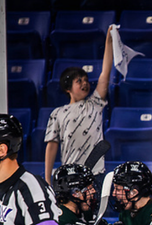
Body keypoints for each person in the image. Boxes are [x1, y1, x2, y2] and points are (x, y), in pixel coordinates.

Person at [44, 26, 114, 185]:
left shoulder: (95, 104)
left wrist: (109, 42)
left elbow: (105, 73)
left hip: (96, 175)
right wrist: (48, 179)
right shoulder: (58, 113)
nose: (85, 84)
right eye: (79, 81)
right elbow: (52, 145)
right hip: (70, 176)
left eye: (86, 80)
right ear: (68, 88)